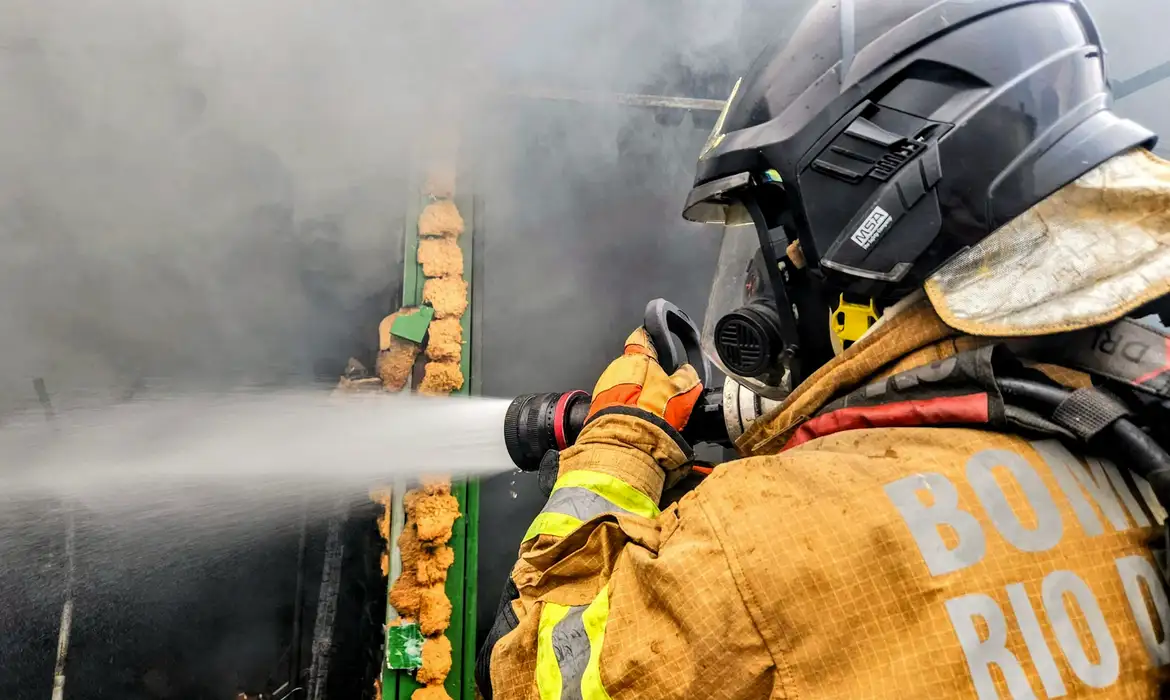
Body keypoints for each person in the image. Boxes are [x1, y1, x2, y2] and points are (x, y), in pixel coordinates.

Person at [478, 1, 1170, 697]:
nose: (763, 284)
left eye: (787, 246)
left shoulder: (753, 547)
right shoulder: (1130, 424)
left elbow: (534, 673)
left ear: (880, 226)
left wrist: (620, 444)